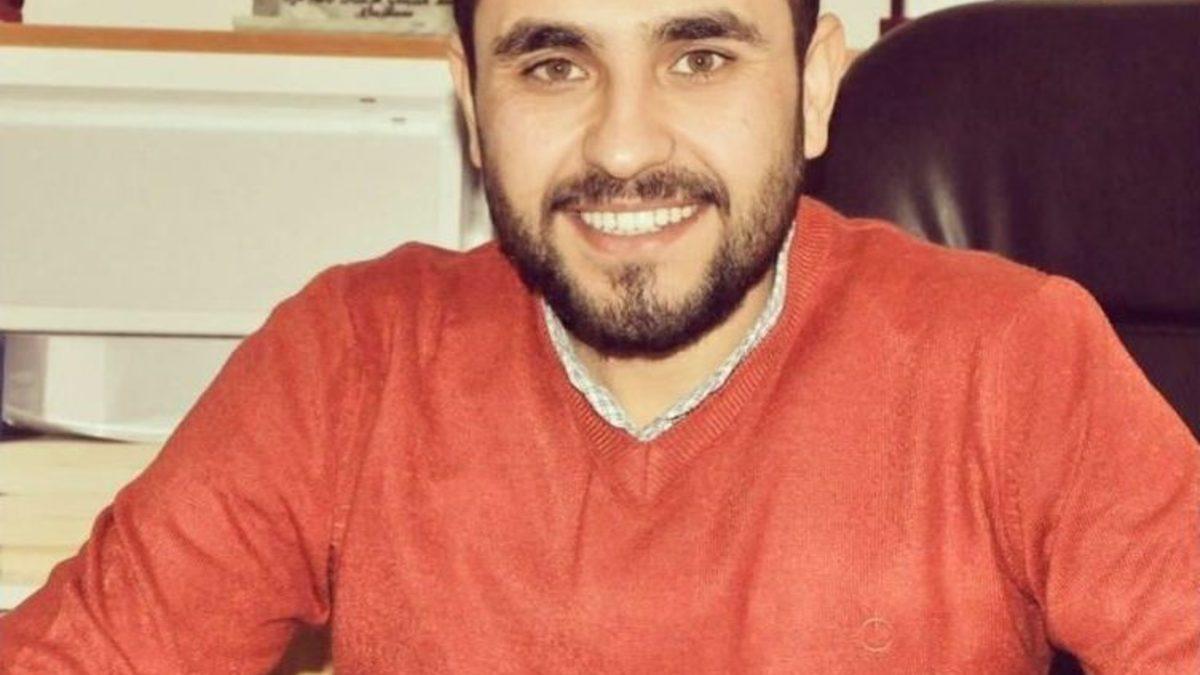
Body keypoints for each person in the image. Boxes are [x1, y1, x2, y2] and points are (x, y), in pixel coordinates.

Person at [1, 0, 1197, 672]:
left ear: (813, 85)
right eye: (552, 64)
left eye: (701, 56)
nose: (625, 144)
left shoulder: (1013, 359)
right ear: (473, 103)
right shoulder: (350, 362)